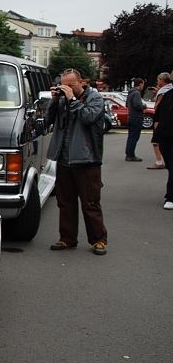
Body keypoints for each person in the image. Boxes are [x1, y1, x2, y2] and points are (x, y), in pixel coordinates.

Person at [45, 68, 108, 255]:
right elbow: (49, 120)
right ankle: (67, 238)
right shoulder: (62, 100)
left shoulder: (95, 99)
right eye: (64, 85)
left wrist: (72, 99)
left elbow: (88, 117)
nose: (67, 88)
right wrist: (54, 100)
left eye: (71, 85)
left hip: (87, 160)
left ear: (82, 83)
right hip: (64, 159)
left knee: (90, 202)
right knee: (65, 202)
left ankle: (99, 239)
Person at [152, 74, 173, 209]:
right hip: (166, 136)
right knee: (171, 165)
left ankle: (170, 196)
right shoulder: (167, 94)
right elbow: (158, 114)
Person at [148, 72, 171, 169]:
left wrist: (156, 120)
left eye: (158, 79)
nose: (157, 81)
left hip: (161, 119)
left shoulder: (163, 92)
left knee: (156, 141)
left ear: (162, 80)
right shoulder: (169, 89)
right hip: (167, 120)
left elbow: (157, 106)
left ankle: (159, 161)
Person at [124, 77, 146, 161]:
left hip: (130, 116)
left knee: (131, 136)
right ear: (140, 84)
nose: (143, 86)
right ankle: (131, 155)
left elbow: (127, 104)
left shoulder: (130, 93)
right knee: (134, 137)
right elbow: (137, 105)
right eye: (143, 85)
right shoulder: (137, 93)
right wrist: (144, 106)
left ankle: (128, 153)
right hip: (136, 117)